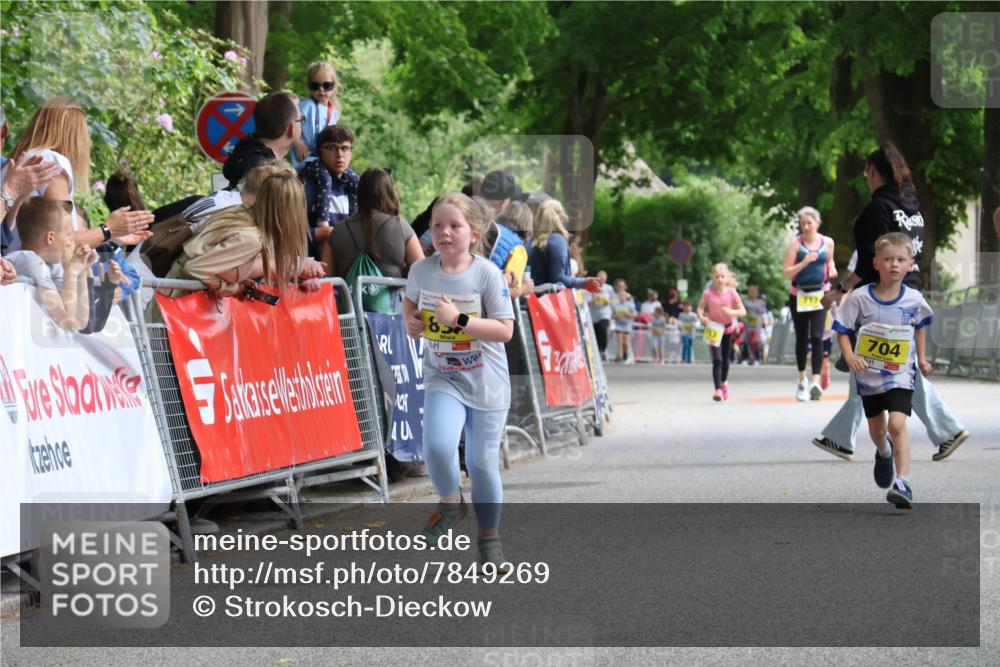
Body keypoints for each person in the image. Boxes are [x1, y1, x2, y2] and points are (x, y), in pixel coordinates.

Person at [814, 142, 969, 462]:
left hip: (879, 302)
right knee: (885, 368)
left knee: (882, 369)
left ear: (873, 173)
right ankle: (842, 437)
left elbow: (869, 262)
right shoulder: (913, 210)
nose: (866, 180)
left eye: (867, 174)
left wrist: (839, 291)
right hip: (906, 297)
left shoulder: (877, 210)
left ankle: (946, 429)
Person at [402, 192, 515, 571]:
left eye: (455, 226)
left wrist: (460, 322)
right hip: (443, 375)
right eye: (437, 225)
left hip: (487, 380)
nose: (444, 233)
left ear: (474, 232)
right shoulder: (421, 270)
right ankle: (451, 503)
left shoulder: (486, 273)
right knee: (435, 446)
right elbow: (410, 301)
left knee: (481, 464)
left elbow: (504, 331)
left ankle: (489, 541)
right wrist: (410, 320)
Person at [834, 233, 933, 508]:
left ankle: (903, 483)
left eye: (901, 260)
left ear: (910, 264)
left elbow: (921, 326)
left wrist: (922, 360)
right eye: (888, 259)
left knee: (897, 424)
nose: (894, 264)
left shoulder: (913, 299)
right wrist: (850, 356)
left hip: (901, 373)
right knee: (878, 431)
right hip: (868, 375)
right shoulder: (860, 298)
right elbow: (842, 330)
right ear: (875, 263)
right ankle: (884, 452)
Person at [3, 97, 153, 251]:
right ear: (75, 135)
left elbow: (43, 236)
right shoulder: (51, 162)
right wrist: (108, 229)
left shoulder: (11, 165)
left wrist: (110, 237)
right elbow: (62, 243)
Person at [163, 169, 323, 297]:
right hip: (175, 304)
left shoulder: (240, 213)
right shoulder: (251, 237)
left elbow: (216, 260)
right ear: (293, 210)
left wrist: (240, 279)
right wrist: (231, 288)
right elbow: (194, 268)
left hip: (171, 296)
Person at [5, 198, 93, 330]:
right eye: (68, 235)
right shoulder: (31, 261)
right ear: (50, 237)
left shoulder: (51, 265)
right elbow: (67, 321)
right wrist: (71, 273)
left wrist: (81, 271)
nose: (70, 243)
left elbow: (80, 323)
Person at [325, 168, 422, 279]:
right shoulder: (400, 226)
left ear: (359, 194)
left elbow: (326, 279)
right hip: (391, 296)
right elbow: (422, 273)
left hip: (347, 296)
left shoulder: (338, 231)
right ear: (389, 193)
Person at [782, 206, 836, 400]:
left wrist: (832, 267)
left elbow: (830, 261)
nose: (805, 227)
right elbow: (786, 272)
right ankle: (802, 380)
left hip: (820, 294)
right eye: (802, 223)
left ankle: (815, 381)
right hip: (799, 295)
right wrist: (804, 263)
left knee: (817, 336)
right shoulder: (795, 245)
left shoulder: (828, 242)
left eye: (809, 223)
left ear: (817, 223)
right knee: (803, 337)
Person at [300, 125, 359, 260]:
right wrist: (315, 234)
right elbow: (286, 234)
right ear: (320, 151)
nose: (339, 154)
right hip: (310, 265)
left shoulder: (355, 185)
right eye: (332, 148)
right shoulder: (305, 185)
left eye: (345, 148)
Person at [222, 91, 302, 189]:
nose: (302, 124)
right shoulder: (263, 173)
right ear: (291, 129)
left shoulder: (246, 153)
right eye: (301, 120)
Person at [697, 263, 747, 401]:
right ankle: (717, 390)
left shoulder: (732, 293)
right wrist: (702, 317)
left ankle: (724, 382)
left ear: (727, 278)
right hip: (713, 328)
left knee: (726, 360)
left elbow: (743, 311)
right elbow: (700, 308)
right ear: (713, 278)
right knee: (717, 359)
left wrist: (731, 311)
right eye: (717, 276)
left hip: (728, 328)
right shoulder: (708, 294)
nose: (719, 279)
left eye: (722, 276)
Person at [527, 199, 599, 291]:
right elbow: (557, 278)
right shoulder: (557, 240)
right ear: (561, 216)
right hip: (550, 301)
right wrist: (584, 282)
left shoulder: (532, 241)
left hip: (532, 299)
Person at [291, 61, 341, 170]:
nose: (321, 89)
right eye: (315, 86)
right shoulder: (306, 106)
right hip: (305, 161)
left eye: (327, 85)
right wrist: (297, 143)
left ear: (334, 87)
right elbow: (290, 125)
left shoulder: (333, 111)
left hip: (324, 161)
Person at [586, 270, 615, 360]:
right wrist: (595, 299)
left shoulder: (609, 288)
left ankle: (604, 349)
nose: (601, 280)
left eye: (603, 279)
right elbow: (588, 302)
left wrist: (606, 300)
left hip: (605, 313)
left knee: (603, 330)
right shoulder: (592, 287)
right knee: (596, 333)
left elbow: (613, 300)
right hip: (594, 314)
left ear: (605, 279)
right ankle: (598, 351)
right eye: (600, 279)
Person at [611, 278, 636, 363]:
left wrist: (628, 314)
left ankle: (625, 354)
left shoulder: (629, 299)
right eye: (619, 286)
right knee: (620, 342)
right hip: (618, 324)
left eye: (622, 286)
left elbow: (634, 313)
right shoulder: (613, 298)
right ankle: (620, 357)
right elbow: (612, 313)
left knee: (626, 343)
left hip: (627, 324)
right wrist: (615, 315)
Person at [743, 284, 767, 365]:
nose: (752, 293)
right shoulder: (746, 302)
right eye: (751, 291)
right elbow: (743, 312)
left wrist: (761, 310)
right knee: (749, 341)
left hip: (757, 324)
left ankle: (754, 356)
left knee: (756, 341)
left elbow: (764, 310)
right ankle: (751, 357)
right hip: (749, 323)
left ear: (757, 292)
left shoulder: (761, 302)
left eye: (754, 291)